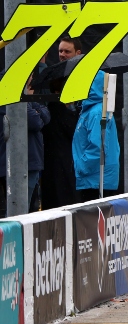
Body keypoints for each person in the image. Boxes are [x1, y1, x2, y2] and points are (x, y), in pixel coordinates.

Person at [41, 39, 84, 208]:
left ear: (78, 53)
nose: (62, 55)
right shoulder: (52, 76)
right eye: (60, 51)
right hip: (57, 150)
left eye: (67, 51)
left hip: (74, 150)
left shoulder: (84, 78)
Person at [0, 81, 51, 215]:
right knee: (19, 210)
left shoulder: (26, 96)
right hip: (19, 163)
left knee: (28, 208)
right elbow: (34, 121)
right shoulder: (10, 91)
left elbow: (45, 113)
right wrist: (36, 112)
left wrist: (35, 109)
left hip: (27, 161)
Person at [72, 71, 121, 201]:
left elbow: (97, 147)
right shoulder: (92, 110)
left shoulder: (96, 112)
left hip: (96, 179)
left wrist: (81, 167)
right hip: (94, 177)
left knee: (92, 219)